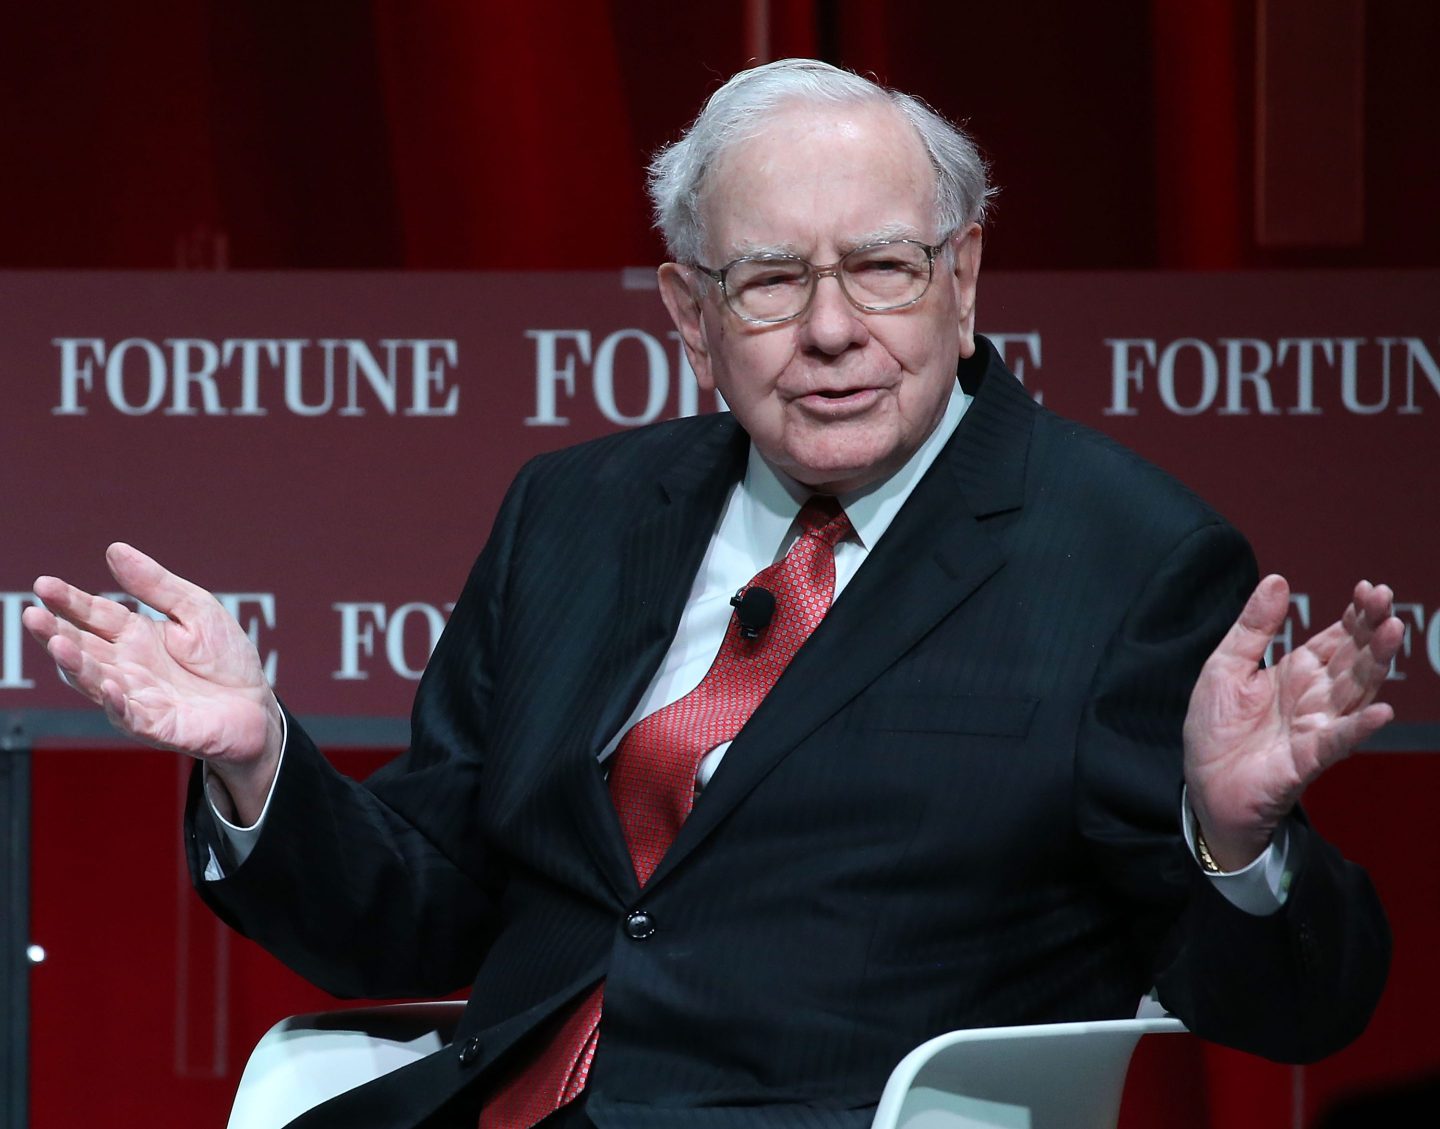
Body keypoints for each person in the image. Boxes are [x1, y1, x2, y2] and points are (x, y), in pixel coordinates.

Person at [24, 60, 1399, 1129]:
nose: (832, 328)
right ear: (688, 312)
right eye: (770, 280)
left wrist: (1232, 834)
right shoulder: (576, 513)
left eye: (883, 266)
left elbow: (1298, 1004)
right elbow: (423, 912)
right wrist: (264, 763)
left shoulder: (1125, 557)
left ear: (964, 276)